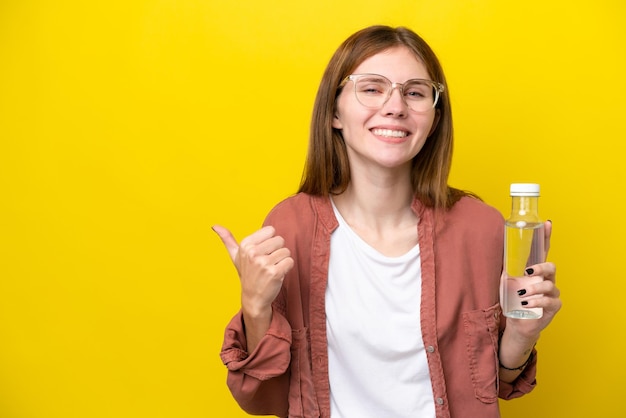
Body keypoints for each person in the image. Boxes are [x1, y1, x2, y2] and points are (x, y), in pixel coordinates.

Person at [212, 25, 561, 418]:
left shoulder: (480, 229)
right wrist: (255, 309)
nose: (395, 106)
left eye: (414, 92)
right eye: (372, 88)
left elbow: (490, 382)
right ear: (334, 112)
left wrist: (520, 335)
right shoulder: (289, 226)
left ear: (433, 118)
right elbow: (265, 400)